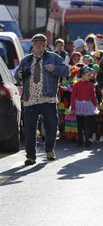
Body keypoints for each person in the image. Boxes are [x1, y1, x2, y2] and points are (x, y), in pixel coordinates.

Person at [15, 34, 69, 165]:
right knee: (29, 129)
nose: (38, 45)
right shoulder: (26, 60)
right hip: (30, 100)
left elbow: (66, 71)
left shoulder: (54, 57)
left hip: (48, 99)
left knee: (51, 126)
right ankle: (30, 156)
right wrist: (20, 75)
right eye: (36, 43)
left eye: (41, 43)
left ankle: (49, 149)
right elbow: (17, 75)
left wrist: (55, 69)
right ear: (32, 45)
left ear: (45, 44)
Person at [71, 66, 97, 147]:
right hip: (79, 105)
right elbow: (73, 97)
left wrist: (96, 105)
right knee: (80, 124)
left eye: (90, 75)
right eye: (88, 75)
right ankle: (80, 140)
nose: (90, 77)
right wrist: (73, 108)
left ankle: (87, 140)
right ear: (82, 75)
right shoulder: (76, 85)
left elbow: (93, 96)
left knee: (87, 123)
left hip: (88, 105)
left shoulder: (90, 85)